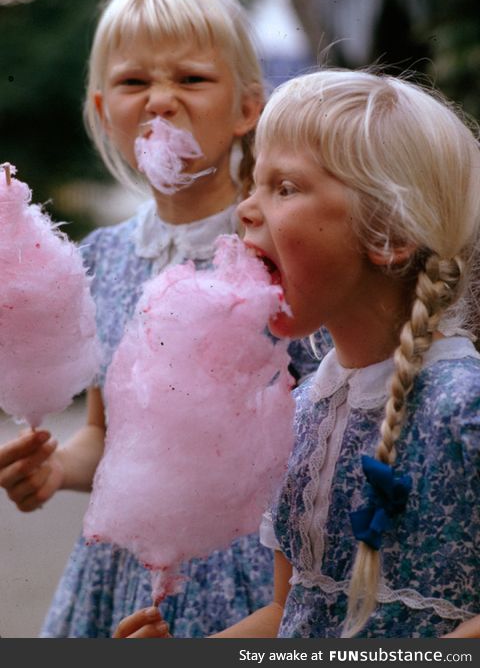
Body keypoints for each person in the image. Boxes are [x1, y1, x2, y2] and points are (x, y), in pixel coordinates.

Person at [0, 0, 326, 638]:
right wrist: (58, 467)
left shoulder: (282, 252)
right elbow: (107, 434)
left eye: (192, 79)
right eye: (133, 82)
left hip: (251, 584)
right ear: (101, 109)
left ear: (247, 108)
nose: (161, 100)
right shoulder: (103, 256)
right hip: (117, 577)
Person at [114, 68, 480, 639]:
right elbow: (290, 613)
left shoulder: (464, 407)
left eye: (284, 188)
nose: (246, 210)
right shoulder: (303, 408)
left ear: (387, 235)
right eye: (254, 184)